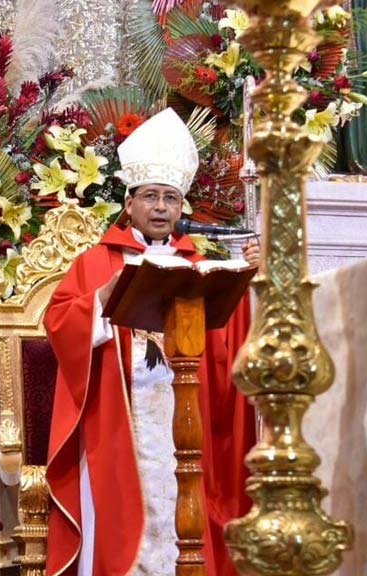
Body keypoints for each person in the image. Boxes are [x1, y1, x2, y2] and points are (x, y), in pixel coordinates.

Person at [44, 109, 259, 576]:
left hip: (187, 414)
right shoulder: (97, 262)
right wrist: (103, 296)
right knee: (126, 527)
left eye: (171, 199)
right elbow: (59, 321)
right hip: (121, 417)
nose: (161, 207)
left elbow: (230, 341)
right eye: (150, 197)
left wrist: (252, 281)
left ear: (182, 208)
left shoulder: (200, 264)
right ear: (129, 202)